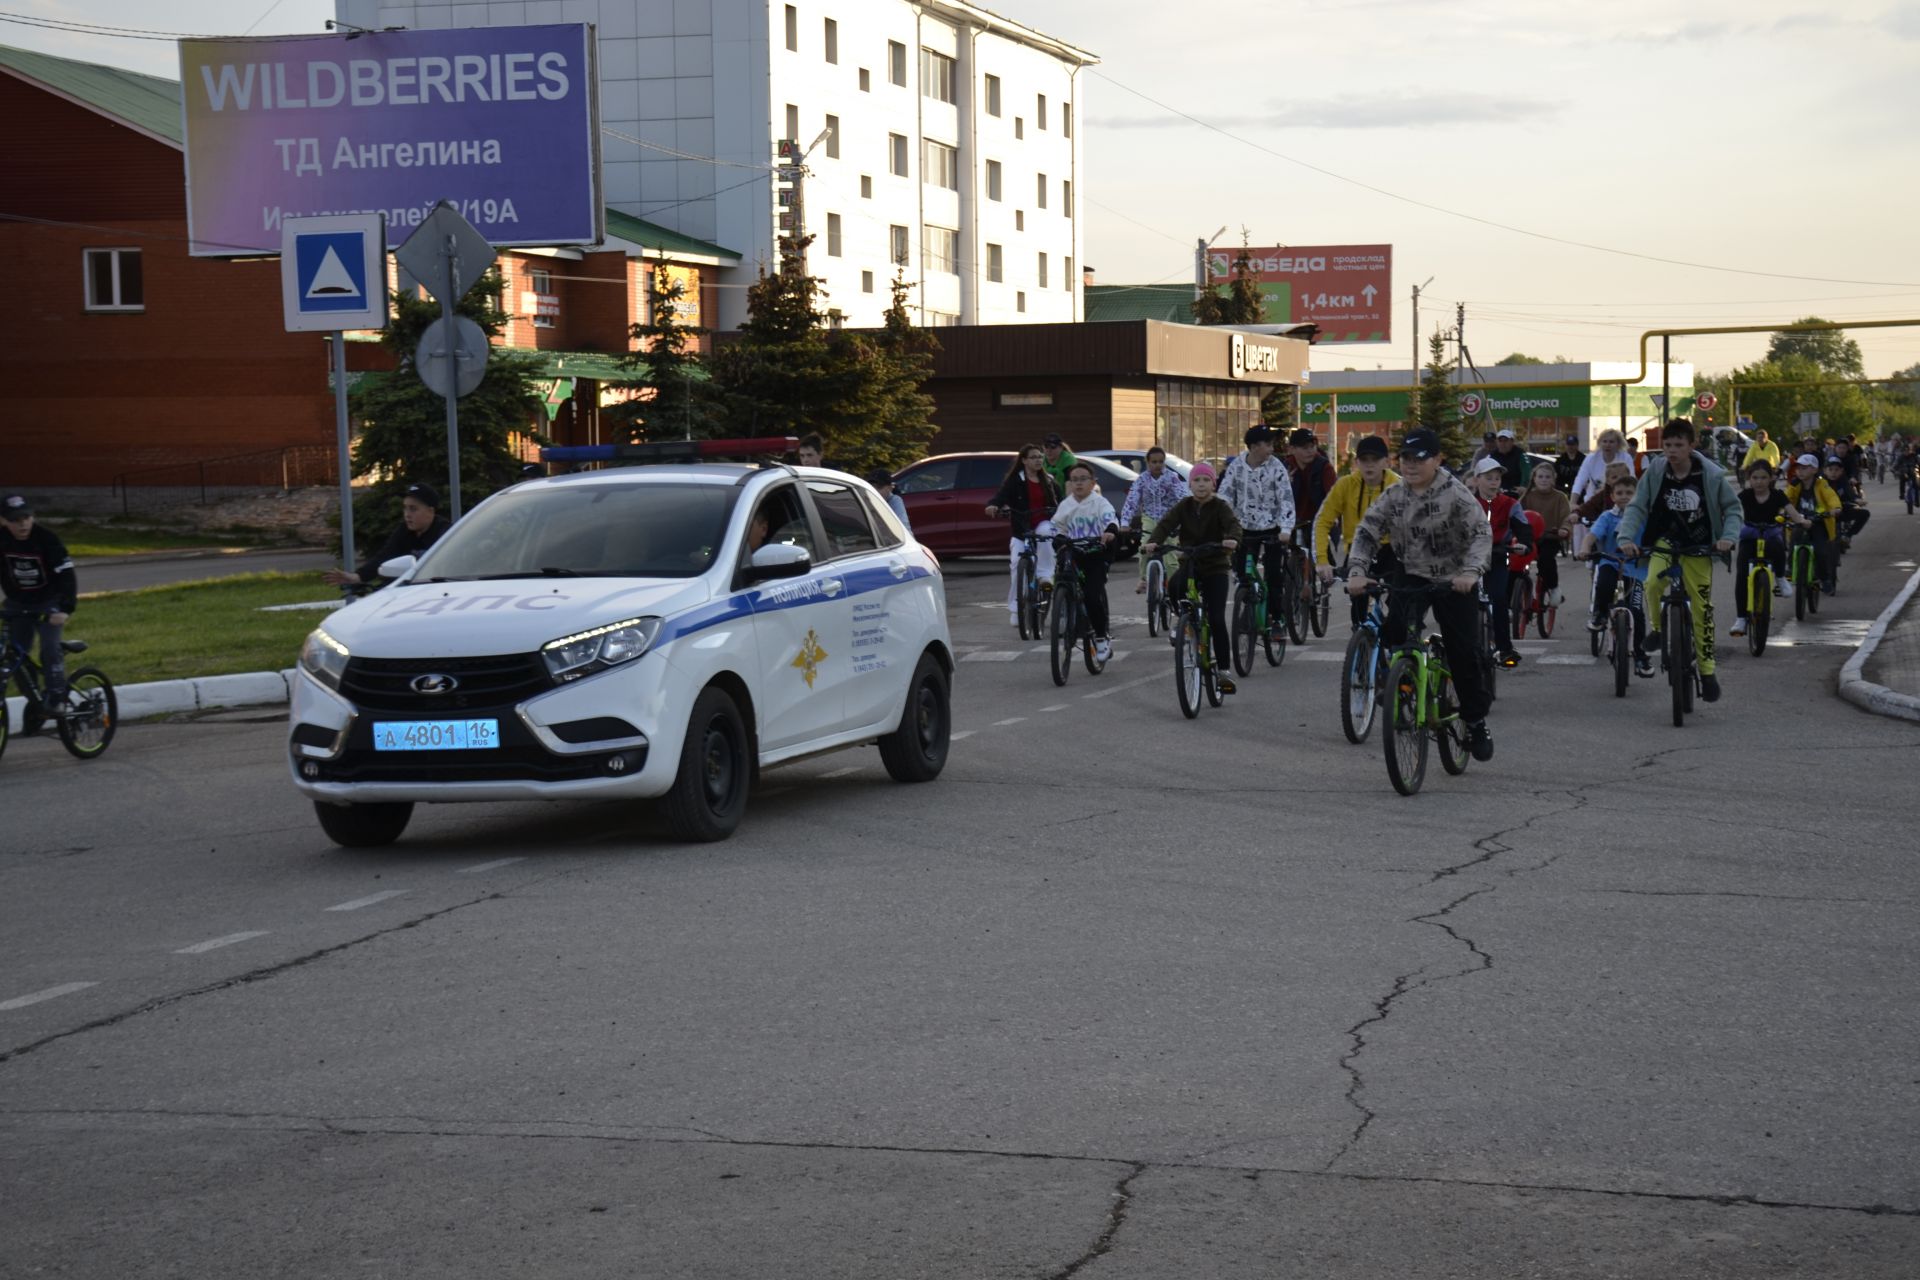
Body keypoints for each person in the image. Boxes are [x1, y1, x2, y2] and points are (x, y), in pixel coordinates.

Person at [1345, 429, 1496, 761]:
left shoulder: (1456, 494)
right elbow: (1367, 530)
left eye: (1419, 459)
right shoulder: (1395, 494)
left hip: (1455, 578)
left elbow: (1481, 533)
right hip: (1411, 572)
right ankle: (1403, 679)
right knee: (1396, 629)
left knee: (1463, 653)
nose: (1410, 466)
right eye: (1406, 459)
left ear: (1438, 460)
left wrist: (1471, 572)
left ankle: (1474, 721)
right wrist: (1356, 569)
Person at [1615, 419, 1741, 704]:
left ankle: (1708, 673)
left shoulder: (1710, 475)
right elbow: (1638, 505)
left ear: (1691, 445)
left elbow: (1732, 509)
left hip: (1699, 543)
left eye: (1678, 445)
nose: (1671, 451)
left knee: (1702, 609)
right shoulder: (1657, 470)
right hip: (1666, 539)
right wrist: (1626, 538)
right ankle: (1658, 631)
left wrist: (1728, 538)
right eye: (1667, 445)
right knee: (1651, 583)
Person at [1141, 462, 1243, 694]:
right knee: (1175, 585)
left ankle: (1224, 672)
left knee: (1216, 618)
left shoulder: (1220, 506)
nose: (1201, 485)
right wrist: (1153, 542)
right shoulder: (1184, 506)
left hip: (1216, 566)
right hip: (1191, 563)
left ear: (1213, 484)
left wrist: (1232, 540)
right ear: (1190, 484)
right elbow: (1166, 524)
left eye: (1206, 480)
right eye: (1197, 480)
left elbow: (1233, 526)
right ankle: (1182, 619)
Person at [1, 493, 77, 727]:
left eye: (27, 517)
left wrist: (64, 608)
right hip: (18, 603)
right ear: (3, 521)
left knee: (49, 648)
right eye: (15, 520)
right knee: (16, 655)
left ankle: (56, 698)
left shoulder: (47, 539)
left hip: (48, 603)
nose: (23, 524)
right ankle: (35, 703)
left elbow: (66, 574)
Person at [1314, 434, 1400, 625]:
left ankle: (1396, 640)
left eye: (1375, 460)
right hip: (1358, 550)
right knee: (1358, 603)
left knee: (1400, 600)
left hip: (1391, 549)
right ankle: (1361, 643)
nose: (1369, 465)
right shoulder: (1345, 485)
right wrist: (1322, 560)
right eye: (1364, 460)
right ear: (1357, 462)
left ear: (1386, 461)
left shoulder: (1398, 486)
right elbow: (1322, 521)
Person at [1216, 424, 1297, 624]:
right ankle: (1248, 605)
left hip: (1272, 529)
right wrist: (1223, 525)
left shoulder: (1276, 466)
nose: (1271, 449)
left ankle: (1276, 618)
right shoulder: (1236, 466)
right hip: (1243, 528)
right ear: (1253, 447)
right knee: (1242, 573)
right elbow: (1225, 495)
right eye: (1267, 445)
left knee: (1272, 575)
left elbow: (1286, 497)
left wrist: (1286, 529)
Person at [1583, 475, 1655, 678]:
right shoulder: (1607, 517)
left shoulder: (1644, 516)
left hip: (1636, 570)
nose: (1624, 497)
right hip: (1612, 564)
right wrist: (1584, 547)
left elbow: (1656, 536)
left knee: (1637, 612)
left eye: (1629, 493)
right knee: (1604, 583)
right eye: (1619, 493)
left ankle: (1641, 656)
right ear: (1612, 496)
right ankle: (1599, 614)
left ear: (1637, 495)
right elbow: (1592, 536)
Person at [1049, 461, 1121, 663]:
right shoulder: (1066, 504)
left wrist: (1110, 531)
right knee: (1062, 575)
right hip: (1074, 551)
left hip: (1096, 552)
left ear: (1092, 482)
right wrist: (1058, 538)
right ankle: (1065, 610)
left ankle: (1101, 637)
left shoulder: (1099, 502)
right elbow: (1057, 526)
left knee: (1091, 595)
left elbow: (1110, 519)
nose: (1078, 484)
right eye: (1074, 480)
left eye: (1083, 479)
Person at [985, 444, 1063, 625]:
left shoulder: (1049, 480)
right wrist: (994, 505)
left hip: (1043, 524)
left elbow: (1062, 503)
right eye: (1034, 457)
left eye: (1040, 457)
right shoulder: (1015, 480)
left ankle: (1045, 576)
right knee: (1015, 564)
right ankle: (1016, 609)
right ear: (1024, 461)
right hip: (1022, 530)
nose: (1038, 460)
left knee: (1045, 531)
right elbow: (1000, 496)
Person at [1468, 456, 1533, 668]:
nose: (1494, 481)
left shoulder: (1510, 504)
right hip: (1470, 559)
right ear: (1477, 480)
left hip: (1497, 555)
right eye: (1488, 477)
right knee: (1461, 601)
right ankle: (1460, 645)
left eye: (1497, 478)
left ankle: (1504, 648)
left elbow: (1523, 527)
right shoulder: (1466, 503)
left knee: (1499, 598)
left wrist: (1524, 543)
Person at [322, 482, 450, 589]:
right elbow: (385, 556)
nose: (407, 514)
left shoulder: (445, 533)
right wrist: (358, 577)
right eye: (405, 508)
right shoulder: (404, 531)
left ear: (430, 511)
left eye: (413, 509)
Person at [1730, 462, 1806, 637]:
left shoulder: (1778, 495)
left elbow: (1792, 512)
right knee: (1742, 574)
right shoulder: (1745, 495)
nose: (1759, 482)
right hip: (1749, 536)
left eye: (1763, 477)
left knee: (1778, 548)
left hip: (1771, 534)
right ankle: (1741, 618)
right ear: (1749, 479)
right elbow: (1731, 511)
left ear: (1771, 478)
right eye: (1755, 478)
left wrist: (1801, 521)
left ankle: (1780, 578)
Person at [1117, 445, 1188, 593]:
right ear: (1147, 463)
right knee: (1144, 548)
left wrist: (1188, 517)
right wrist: (1125, 522)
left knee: (1170, 556)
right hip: (1149, 518)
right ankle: (1143, 579)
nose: (1157, 465)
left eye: (1161, 462)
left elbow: (1183, 497)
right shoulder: (1142, 480)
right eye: (1154, 462)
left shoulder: (1172, 477)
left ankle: (1174, 586)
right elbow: (1132, 501)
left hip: (1169, 521)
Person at [1783, 453, 1844, 594]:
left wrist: (1835, 508)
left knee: (1821, 551)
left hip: (1818, 522)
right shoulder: (1795, 485)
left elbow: (1831, 497)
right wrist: (1781, 511)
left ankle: (1825, 579)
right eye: (1798, 468)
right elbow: (1785, 500)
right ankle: (1791, 568)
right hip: (1799, 520)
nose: (1800, 471)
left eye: (1805, 468)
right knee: (1793, 541)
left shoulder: (1821, 484)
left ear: (1815, 470)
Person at [1519, 461, 1572, 607]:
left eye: (1547, 477)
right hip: (1529, 537)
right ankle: (1514, 593)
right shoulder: (1527, 496)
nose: (1543, 479)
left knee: (1546, 559)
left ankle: (1553, 588)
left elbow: (1566, 518)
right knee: (1514, 559)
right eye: (1540, 476)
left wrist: (1564, 530)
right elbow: (1516, 514)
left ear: (1553, 479)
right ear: (1534, 478)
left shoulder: (1560, 497)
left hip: (1550, 537)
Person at [1571, 428, 1637, 504]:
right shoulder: (1591, 459)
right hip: (1593, 502)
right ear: (1600, 443)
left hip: (1619, 502)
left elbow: (1632, 480)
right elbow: (1580, 481)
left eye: (1611, 442)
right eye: (1604, 441)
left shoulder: (1625, 458)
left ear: (1618, 444)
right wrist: (1572, 503)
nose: (1607, 445)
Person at [1826, 455, 1870, 546]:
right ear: (1824, 470)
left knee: (1865, 513)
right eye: (1830, 469)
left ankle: (1847, 535)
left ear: (1841, 471)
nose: (1833, 473)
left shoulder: (1843, 481)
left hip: (1842, 509)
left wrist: (1857, 499)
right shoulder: (1820, 482)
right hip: (1825, 512)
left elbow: (1849, 492)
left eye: (1836, 470)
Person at [865, 468, 911, 532]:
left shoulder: (895, 501)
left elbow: (904, 528)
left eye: (879, 487)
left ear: (890, 488)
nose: (875, 491)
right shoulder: (864, 499)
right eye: (871, 487)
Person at [1488, 428, 1529, 493]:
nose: (1503, 443)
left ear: (1512, 442)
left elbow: (1527, 473)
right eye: (1500, 441)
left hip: (1516, 492)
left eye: (1505, 441)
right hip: (1498, 492)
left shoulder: (1520, 454)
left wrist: (1524, 487)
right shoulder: (1492, 456)